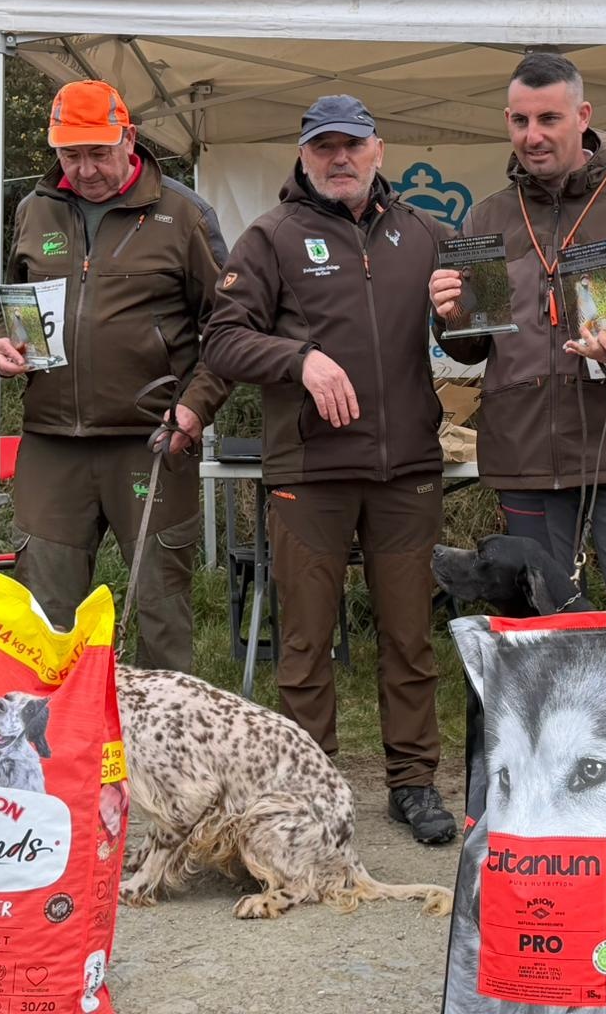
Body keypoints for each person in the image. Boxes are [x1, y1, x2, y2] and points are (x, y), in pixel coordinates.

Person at [202, 95, 457, 845]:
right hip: (309, 470)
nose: (339, 158)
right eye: (324, 147)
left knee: (409, 637)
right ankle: (308, 790)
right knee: (307, 642)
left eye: (352, 145)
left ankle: (413, 783)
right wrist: (300, 358)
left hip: (407, 467)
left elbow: (476, 342)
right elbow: (222, 340)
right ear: (304, 154)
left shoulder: (426, 233)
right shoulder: (272, 236)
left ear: (380, 149)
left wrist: (462, 317)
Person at [429, 53, 606, 634]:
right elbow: (471, 348)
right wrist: (448, 315)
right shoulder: (487, 218)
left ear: (583, 117)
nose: (532, 136)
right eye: (520, 121)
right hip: (524, 456)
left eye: (549, 119)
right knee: (544, 629)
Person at [0, 80, 229, 670]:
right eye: (70, 154)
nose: (85, 169)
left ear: (129, 138)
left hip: (152, 440)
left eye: (98, 152)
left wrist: (196, 406)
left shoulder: (184, 214)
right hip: (52, 442)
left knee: (159, 609)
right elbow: (14, 305)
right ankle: (52, 728)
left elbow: (230, 327)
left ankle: (161, 729)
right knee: (42, 613)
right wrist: (2, 342)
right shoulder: (34, 209)